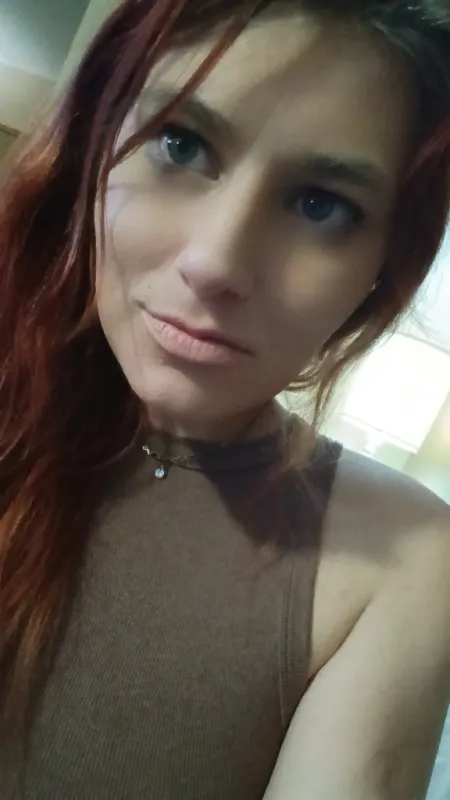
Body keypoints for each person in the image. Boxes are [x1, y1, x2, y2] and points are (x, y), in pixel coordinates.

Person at [0, 0, 449, 797]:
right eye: (181, 144)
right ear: (96, 147)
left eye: (319, 204)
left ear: (381, 269)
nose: (215, 263)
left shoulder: (407, 559)